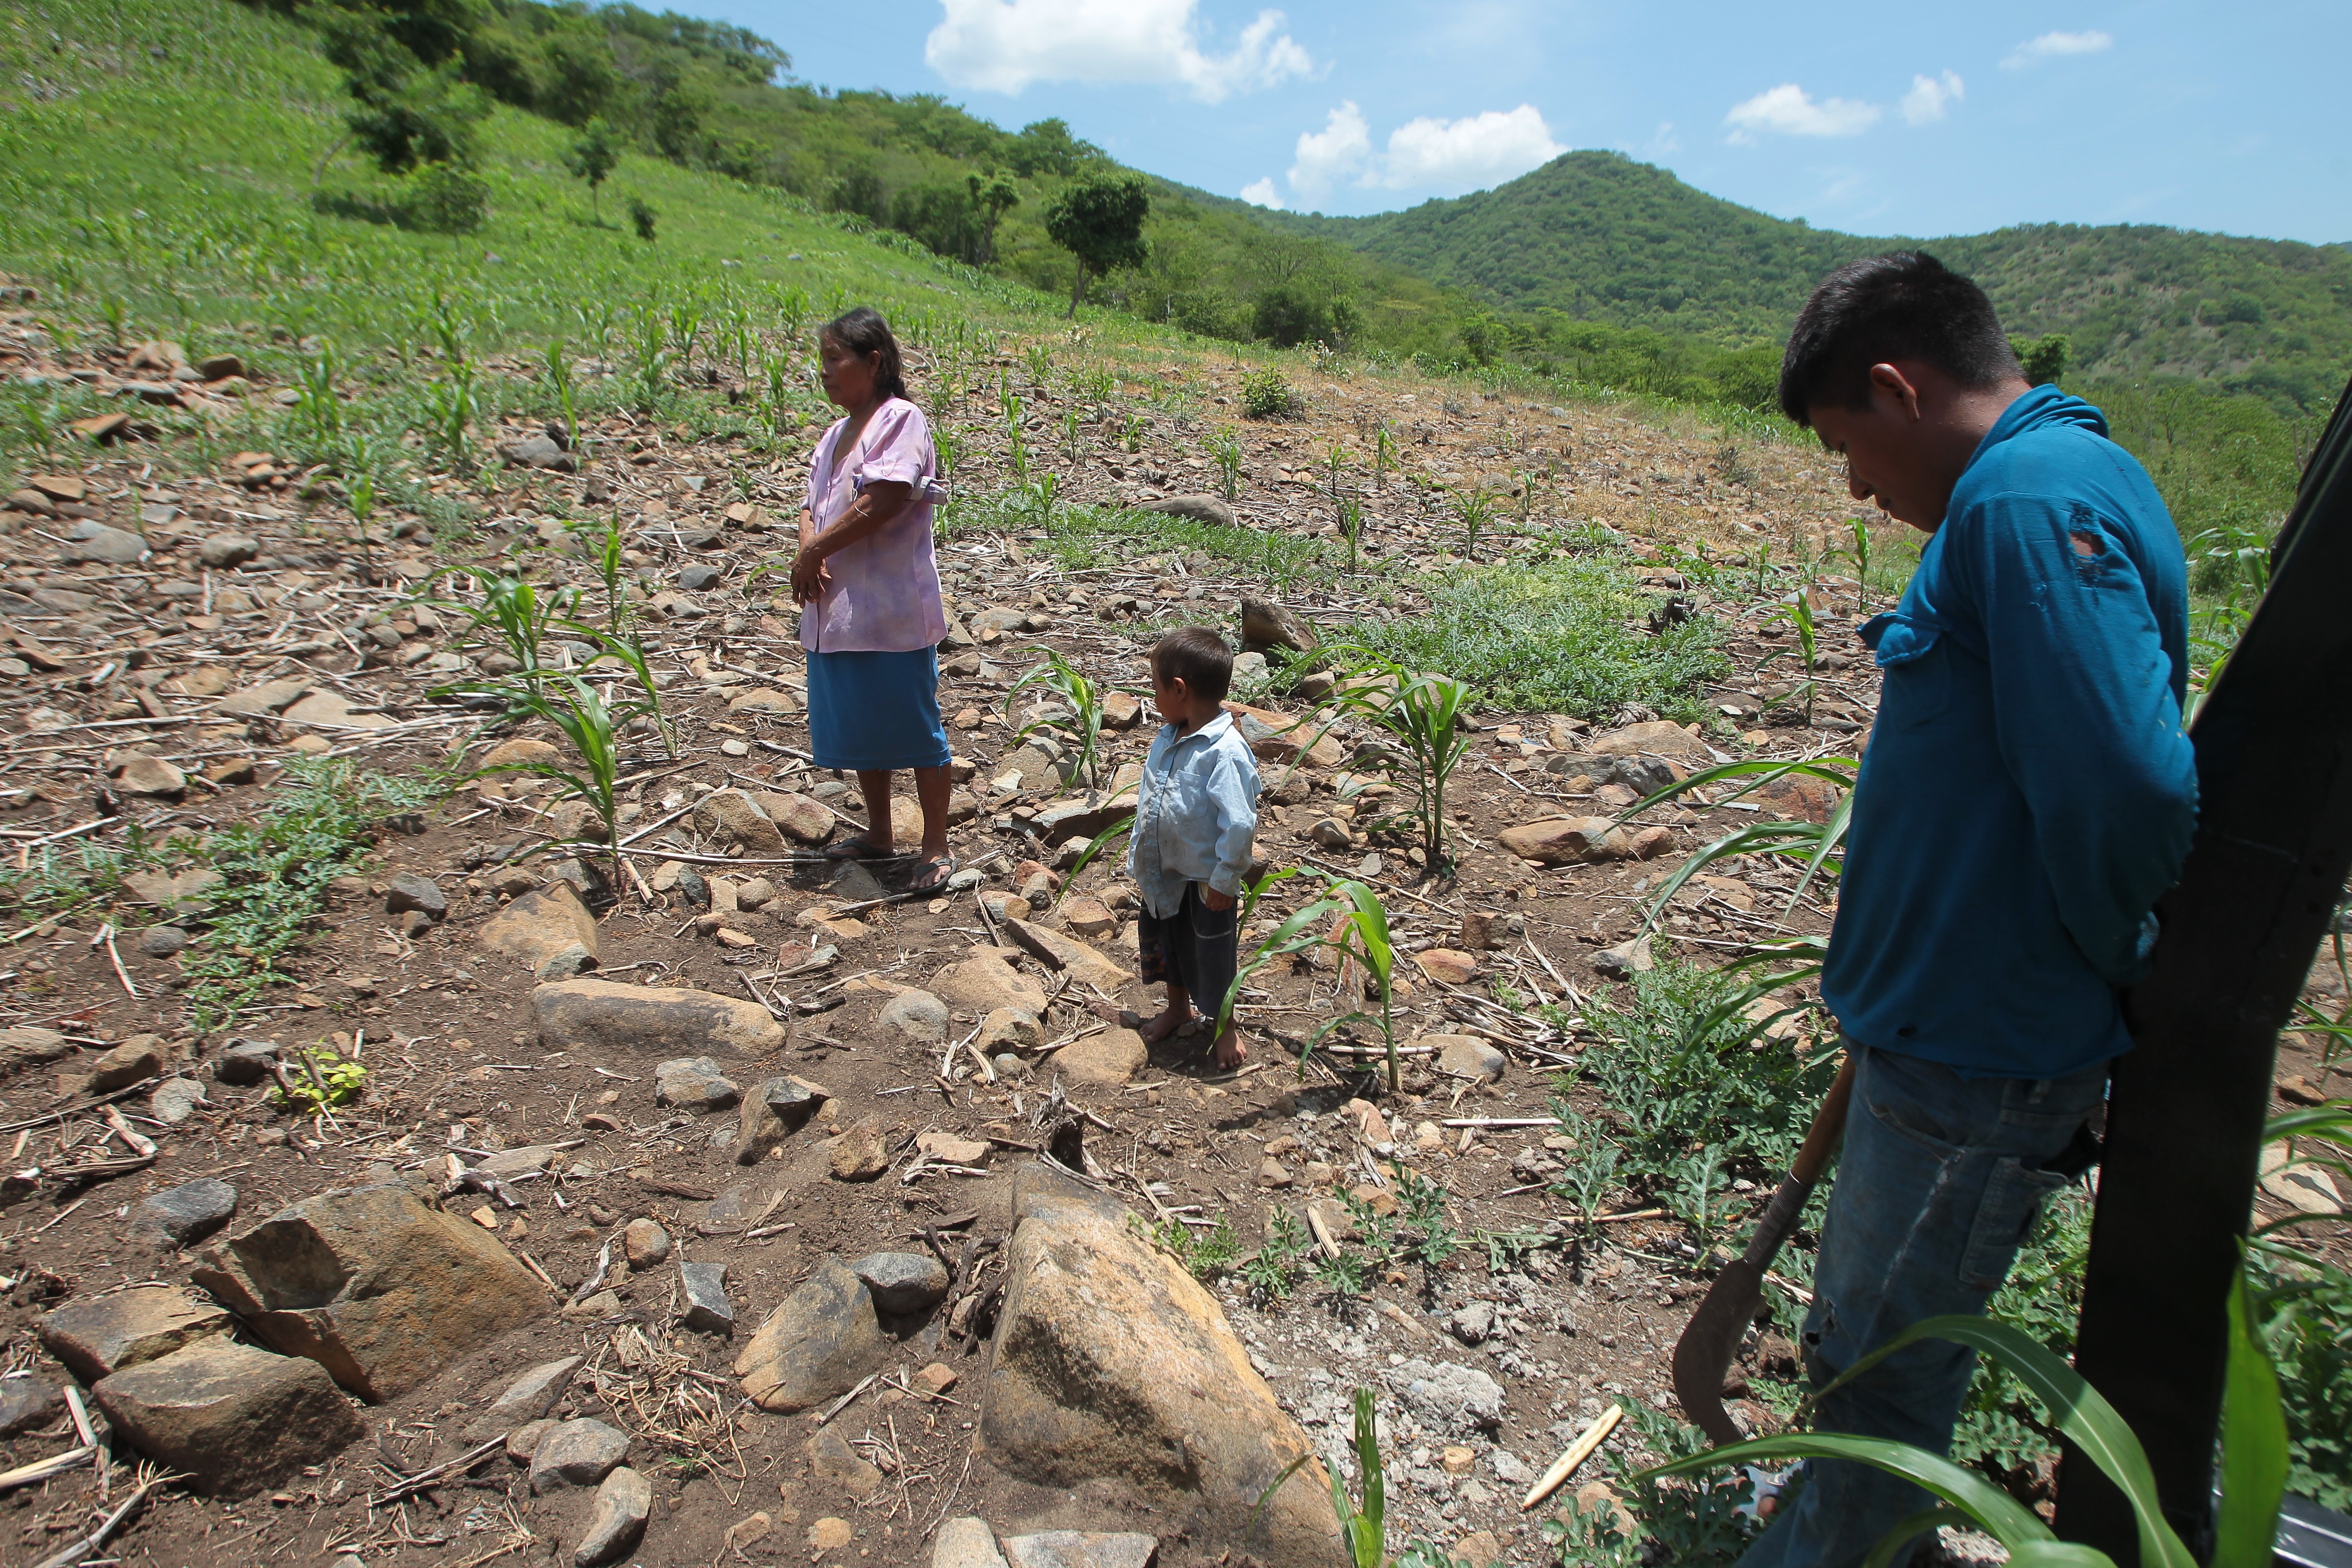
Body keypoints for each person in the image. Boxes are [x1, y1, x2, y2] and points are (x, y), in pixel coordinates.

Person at [1740, 252, 2199, 1567]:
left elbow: (2125, 783)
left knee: (1884, 1377)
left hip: (1977, 1051)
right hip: (1948, 1036)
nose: (1856, 488)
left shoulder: (2022, 504)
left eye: (1848, 445)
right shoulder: (2047, 486)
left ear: (1897, 386)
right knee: (1870, 1344)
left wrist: (2115, 953)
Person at [790, 306, 955, 896]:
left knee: (915, 727)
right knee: (862, 725)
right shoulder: (834, 436)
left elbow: (884, 499)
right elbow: (812, 505)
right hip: (839, 613)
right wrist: (810, 549)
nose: (826, 373)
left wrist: (815, 554)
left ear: (874, 361)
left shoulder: (900, 419)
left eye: (836, 359)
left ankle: (934, 843)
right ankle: (882, 832)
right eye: (823, 361)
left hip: (890, 609)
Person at [1127, 627, 1261, 1071]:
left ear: (1179, 689)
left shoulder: (1225, 752)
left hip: (1205, 878)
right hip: (1166, 871)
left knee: (1212, 952)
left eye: (1156, 686)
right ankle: (1178, 1008)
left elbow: (1239, 820)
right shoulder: (1170, 735)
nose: (1154, 696)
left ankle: (1224, 1026)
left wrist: (1227, 877)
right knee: (1169, 942)